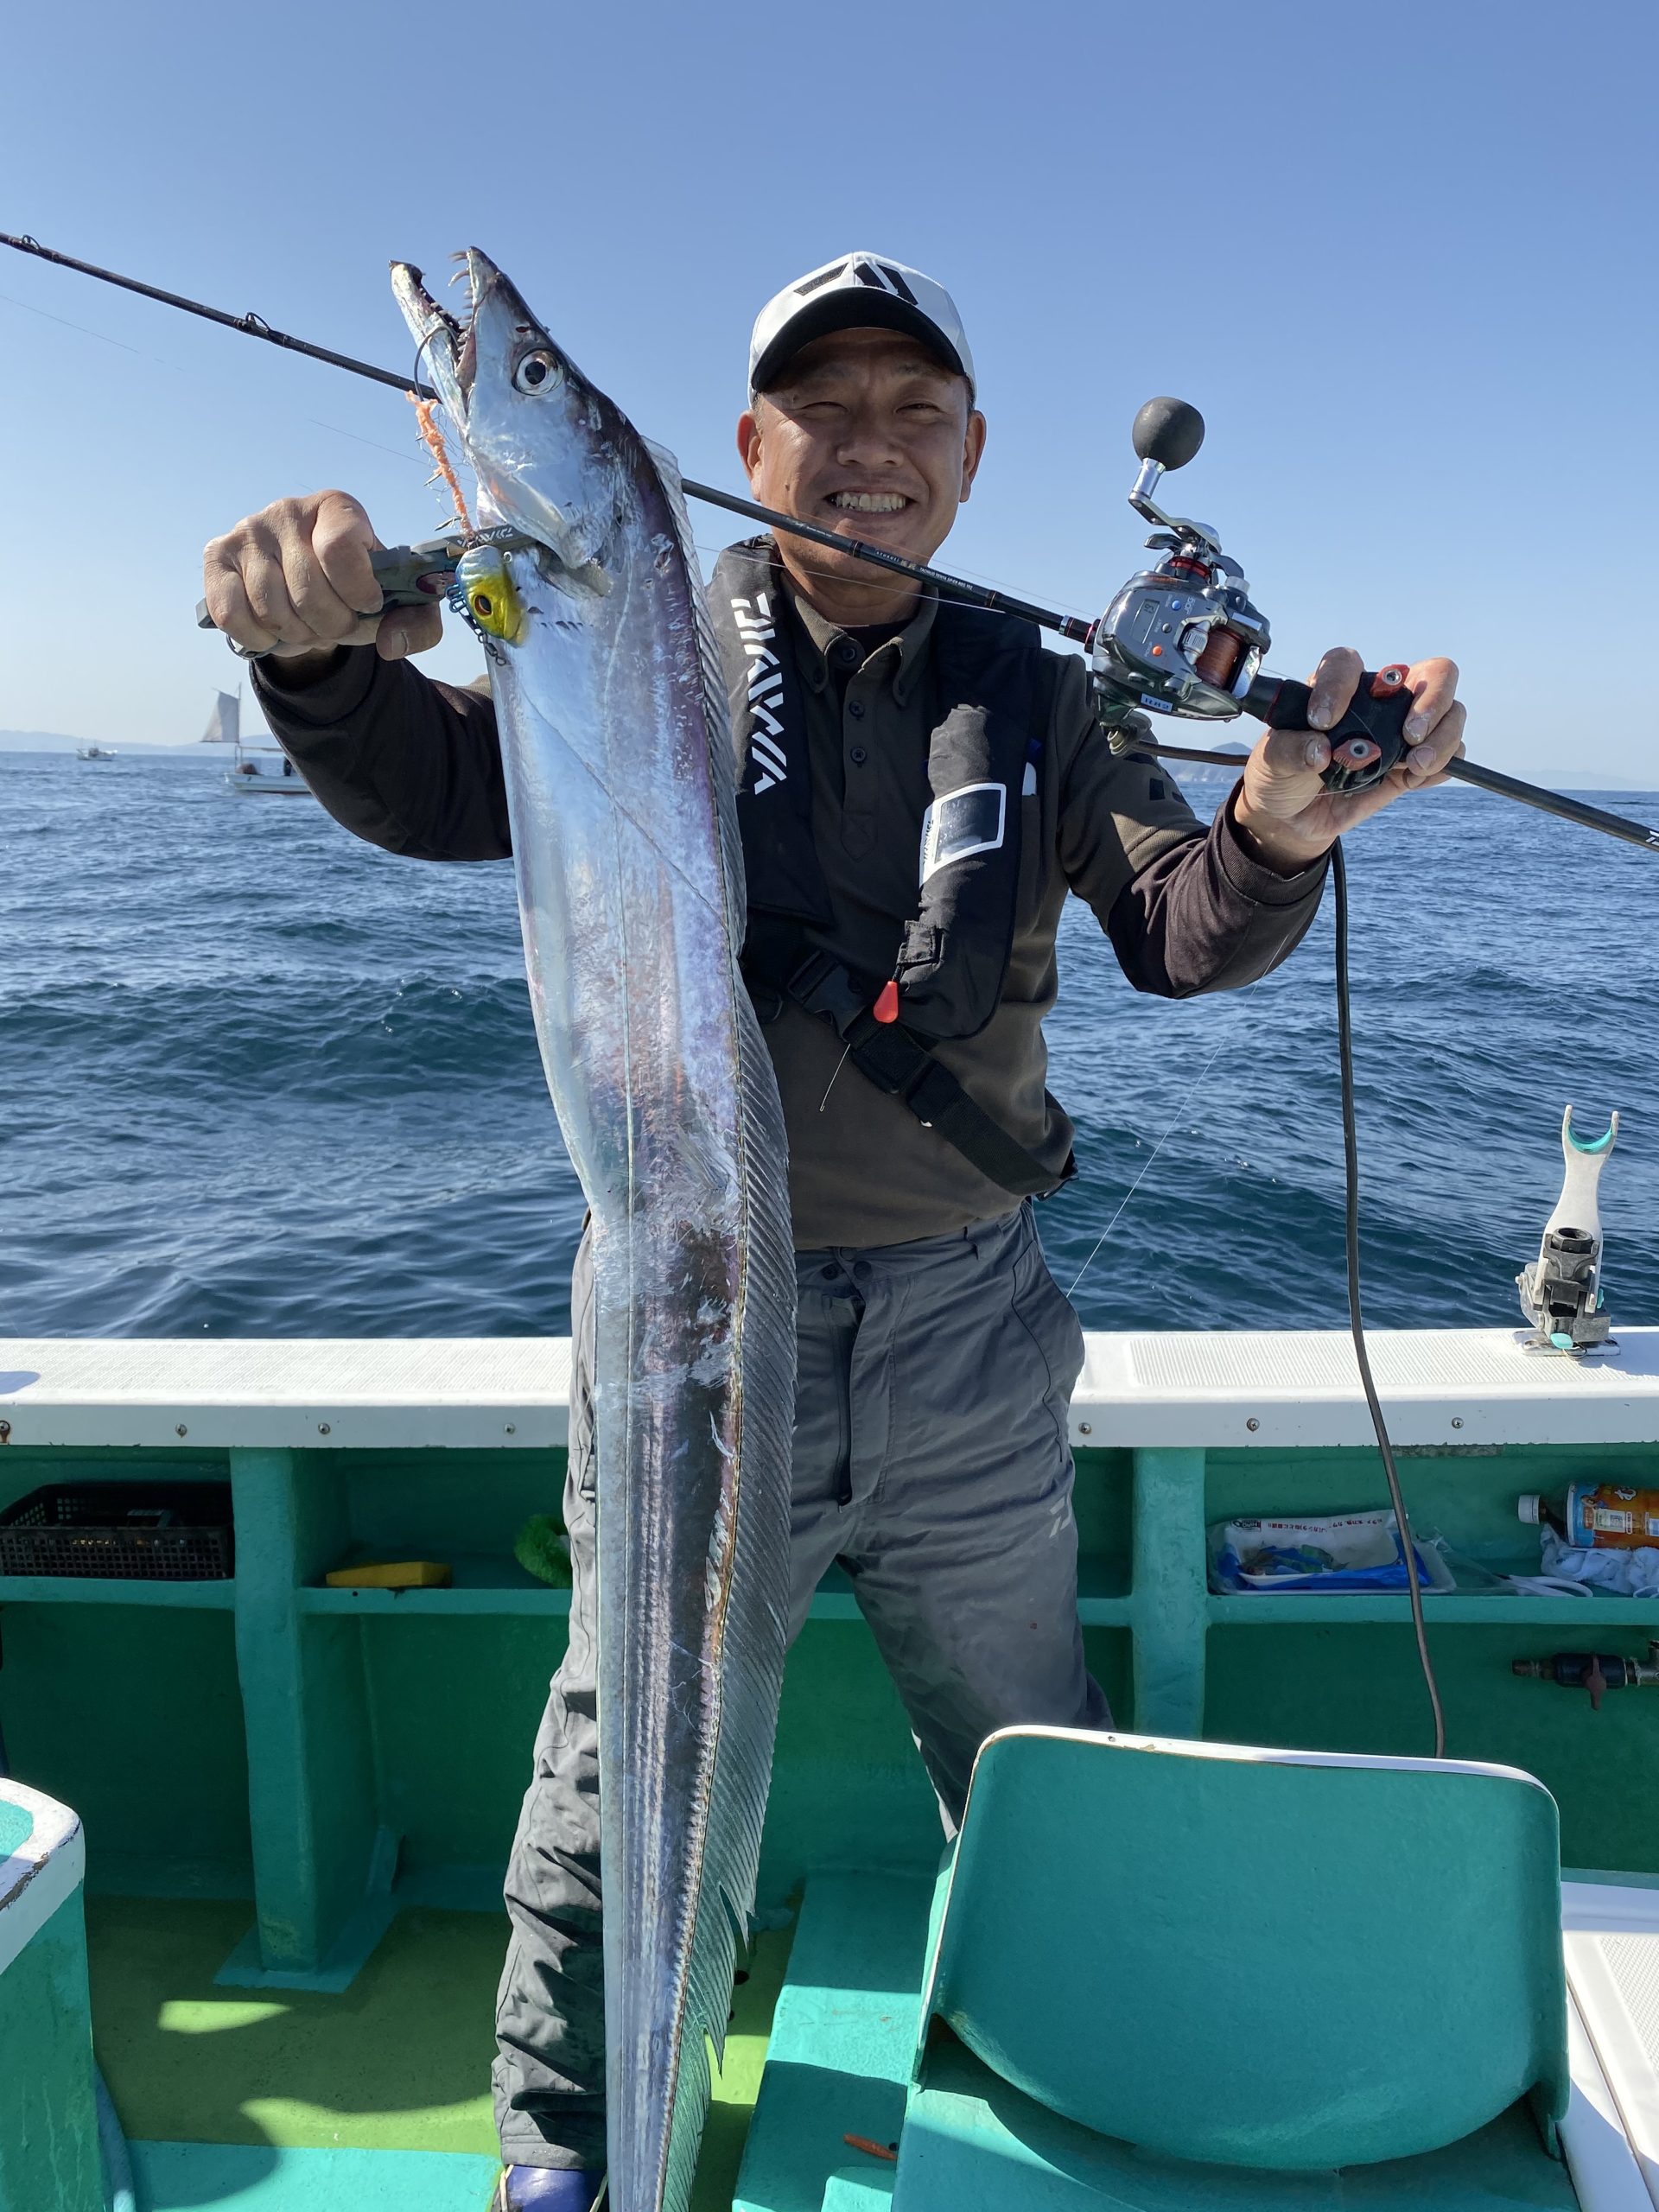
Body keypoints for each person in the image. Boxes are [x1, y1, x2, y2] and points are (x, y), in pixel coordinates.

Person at [202, 250, 1466, 2210]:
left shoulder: (1036, 690)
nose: (865, 449)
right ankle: (569, 2146)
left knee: (1030, 1736)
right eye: (824, 407)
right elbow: (445, 775)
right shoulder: (626, 634)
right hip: (688, 1316)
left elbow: (1179, 920)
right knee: (620, 1752)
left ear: (968, 461)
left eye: (912, 412)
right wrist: (314, 661)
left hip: (968, 1334)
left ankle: (1081, 2056)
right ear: (742, 445)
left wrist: (1288, 828)